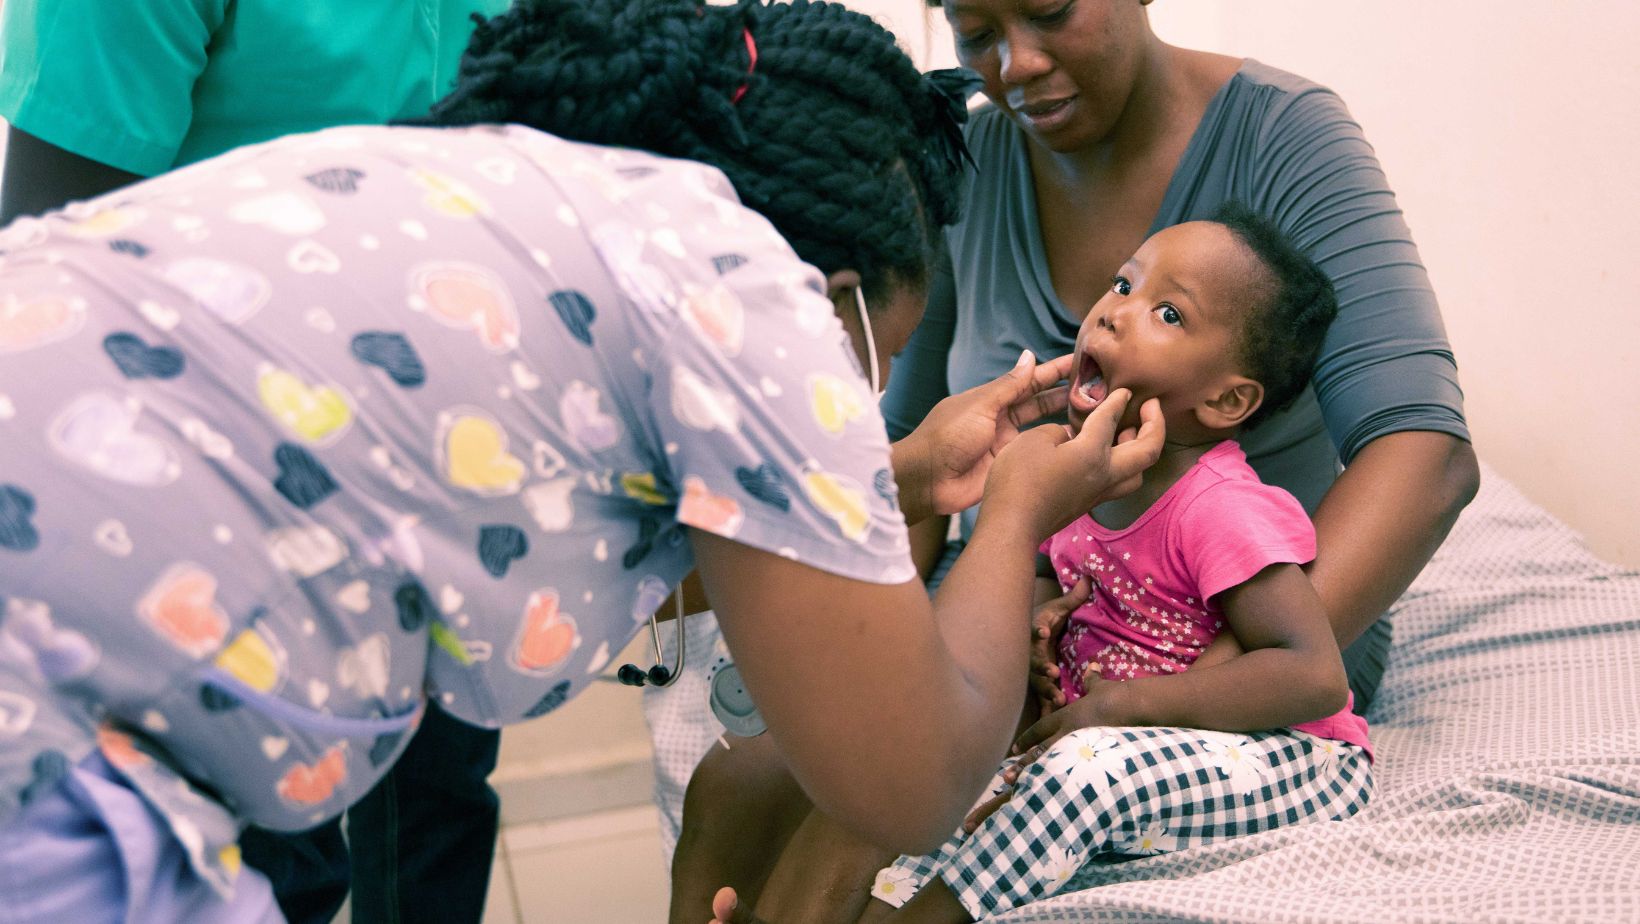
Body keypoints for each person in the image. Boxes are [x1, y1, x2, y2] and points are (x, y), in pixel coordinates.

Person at [0, 1, 1167, 920]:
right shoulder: (746, 284)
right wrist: (1018, 511)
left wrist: (901, 477)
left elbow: (566, 560)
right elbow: (905, 782)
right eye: (869, 366)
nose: (846, 408)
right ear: (835, 294)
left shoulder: (515, 191)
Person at [666, 1, 1480, 919]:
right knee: (739, 787)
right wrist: (903, 634)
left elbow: (1428, 457)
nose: (1013, 64)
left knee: (893, 774)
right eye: (975, 32)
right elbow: (926, 447)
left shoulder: (1288, 138)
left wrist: (1179, 684)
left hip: (1228, 632)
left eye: (1050, 10)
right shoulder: (967, 166)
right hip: (1041, 616)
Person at [698, 206, 1375, 923]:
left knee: (1075, 775)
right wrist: (1032, 625)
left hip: (1292, 763)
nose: (1115, 314)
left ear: (1226, 398)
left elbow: (1310, 671)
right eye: (1123, 284)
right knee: (935, 788)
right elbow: (1053, 571)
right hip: (1123, 741)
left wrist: (1123, 707)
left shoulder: (1220, 507)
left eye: (1169, 313)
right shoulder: (1077, 474)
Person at [0, 1, 515, 919]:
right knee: (273, 853)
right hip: (211, 479)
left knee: (438, 811)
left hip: (454, 449)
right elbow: (45, 277)